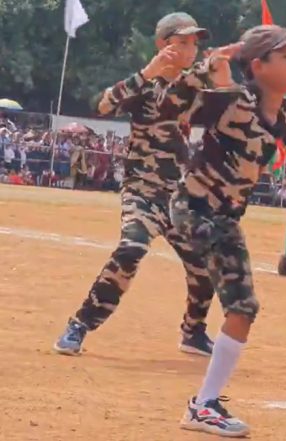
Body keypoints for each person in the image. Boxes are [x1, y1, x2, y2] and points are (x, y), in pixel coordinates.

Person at [164, 24, 286, 436]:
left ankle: (204, 404)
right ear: (258, 66)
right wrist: (205, 69)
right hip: (196, 210)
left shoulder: (285, 112)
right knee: (239, 301)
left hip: (224, 219)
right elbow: (171, 106)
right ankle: (202, 404)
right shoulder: (233, 101)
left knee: (243, 308)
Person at [53, 13, 218, 357]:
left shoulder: (195, 87)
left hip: (179, 196)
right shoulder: (143, 85)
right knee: (131, 249)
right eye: (183, 42)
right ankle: (79, 325)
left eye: (194, 43)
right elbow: (101, 105)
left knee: (206, 262)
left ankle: (193, 332)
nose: (191, 49)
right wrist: (148, 73)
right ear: (162, 44)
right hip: (143, 190)